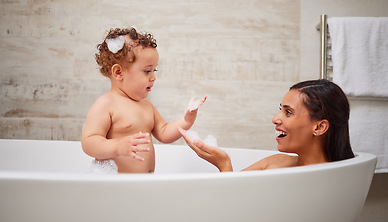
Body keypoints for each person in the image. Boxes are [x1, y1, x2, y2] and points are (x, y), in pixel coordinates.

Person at [81, 27, 206, 173]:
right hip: (114, 185)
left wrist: (187, 120)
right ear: (119, 72)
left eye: (155, 70)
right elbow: (89, 142)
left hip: (143, 185)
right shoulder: (106, 104)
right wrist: (117, 146)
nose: (153, 77)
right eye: (147, 71)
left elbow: (164, 133)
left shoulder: (147, 107)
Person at [179, 79, 354, 172]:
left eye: (288, 112)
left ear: (319, 127)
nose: (275, 119)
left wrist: (224, 164)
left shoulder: (326, 181)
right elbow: (221, 205)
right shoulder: (274, 163)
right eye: (280, 110)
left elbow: (236, 216)